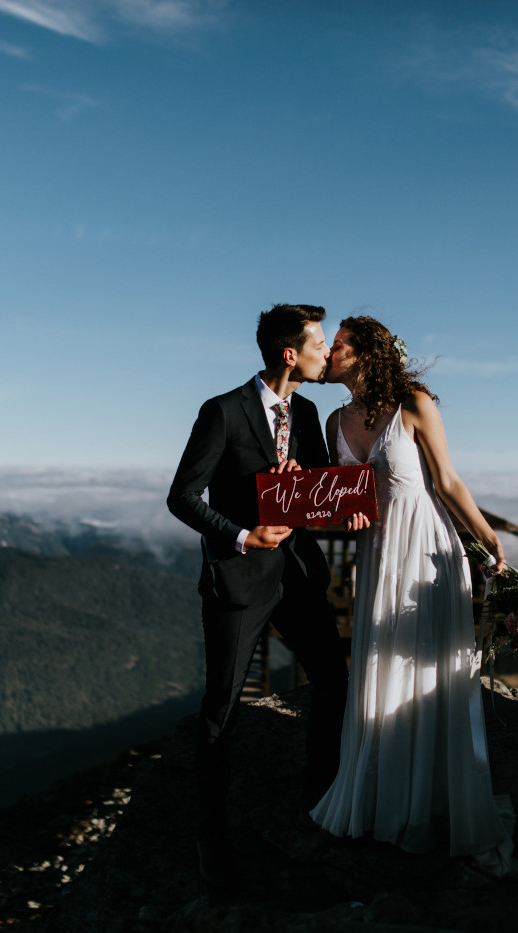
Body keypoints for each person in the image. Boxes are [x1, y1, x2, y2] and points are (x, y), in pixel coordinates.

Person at [309, 314, 518, 877]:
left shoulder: (416, 403)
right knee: (381, 665)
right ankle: (383, 800)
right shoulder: (334, 419)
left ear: (367, 353)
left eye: (340, 345)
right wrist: (342, 513)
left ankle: (435, 801)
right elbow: (344, 496)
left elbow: (448, 482)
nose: (328, 352)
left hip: (428, 549)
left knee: (431, 670)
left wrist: (489, 540)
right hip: (378, 556)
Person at [167, 303, 358, 888]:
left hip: (299, 575)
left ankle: (320, 801)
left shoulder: (307, 411)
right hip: (240, 579)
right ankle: (212, 835)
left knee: (334, 682)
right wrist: (243, 534)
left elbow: (318, 493)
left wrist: (318, 491)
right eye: (319, 343)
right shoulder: (222, 412)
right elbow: (183, 497)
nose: (327, 353)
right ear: (288, 353)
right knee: (221, 708)